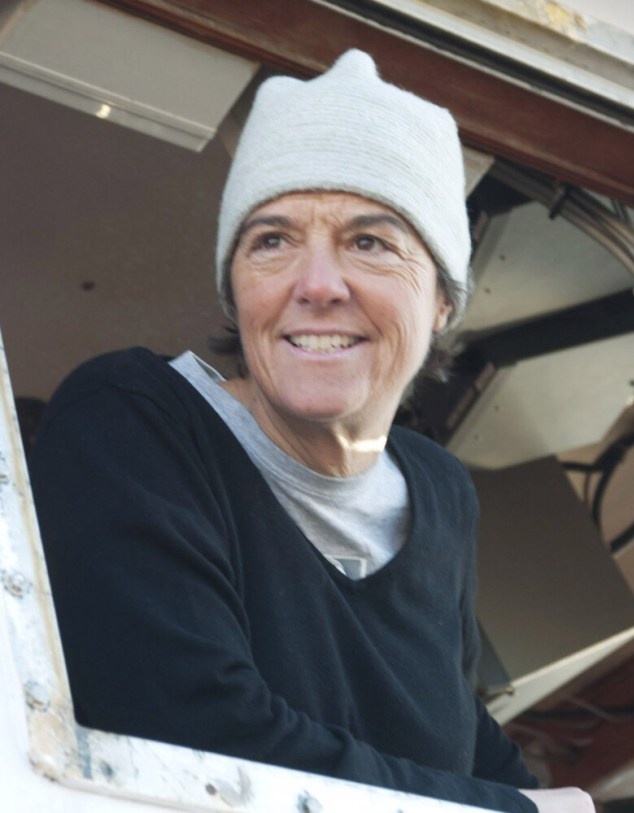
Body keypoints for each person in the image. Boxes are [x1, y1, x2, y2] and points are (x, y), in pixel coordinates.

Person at [30, 50, 592, 813]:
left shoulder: (441, 494)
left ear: (442, 302)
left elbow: (464, 738)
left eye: (370, 241)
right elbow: (196, 739)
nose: (318, 284)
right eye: (272, 240)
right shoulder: (134, 420)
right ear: (236, 290)